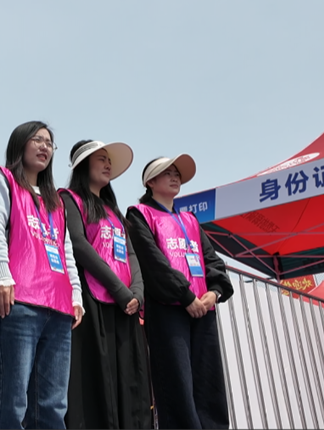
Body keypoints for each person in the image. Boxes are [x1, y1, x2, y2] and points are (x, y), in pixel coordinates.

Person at [0, 121, 84, 430]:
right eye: (37, 139)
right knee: (10, 401)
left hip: (58, 308)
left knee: (52, 405)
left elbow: (66, 251)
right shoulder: (3, 178)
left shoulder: (56, 202)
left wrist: (75, 295)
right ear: (20, 143)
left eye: (49, 143)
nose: (44, 147)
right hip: (18, 303)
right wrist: (0, 277)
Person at [126, 155, 234, 430]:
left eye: (177, 173)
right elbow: (153, 263)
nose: (175, 177)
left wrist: (215, 292)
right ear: (150, 182)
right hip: (168, 310)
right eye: (167, 172)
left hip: (203, 310)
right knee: (177, 384)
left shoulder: (190, 219)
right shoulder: (139, 214)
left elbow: (212, 260)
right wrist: (186, 296)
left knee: (209, 382)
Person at [59, 139, 152, 429]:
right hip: (94, 301)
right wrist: (120, 290)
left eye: (109, 159)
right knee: (99, 380)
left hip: (125, 306)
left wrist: (137, 292)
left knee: (130, 380)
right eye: (101, 159)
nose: (108, 164)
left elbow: (131, 254)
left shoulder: (114, 211)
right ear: (83, 165)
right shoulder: (70, 199)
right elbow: (79, 245)